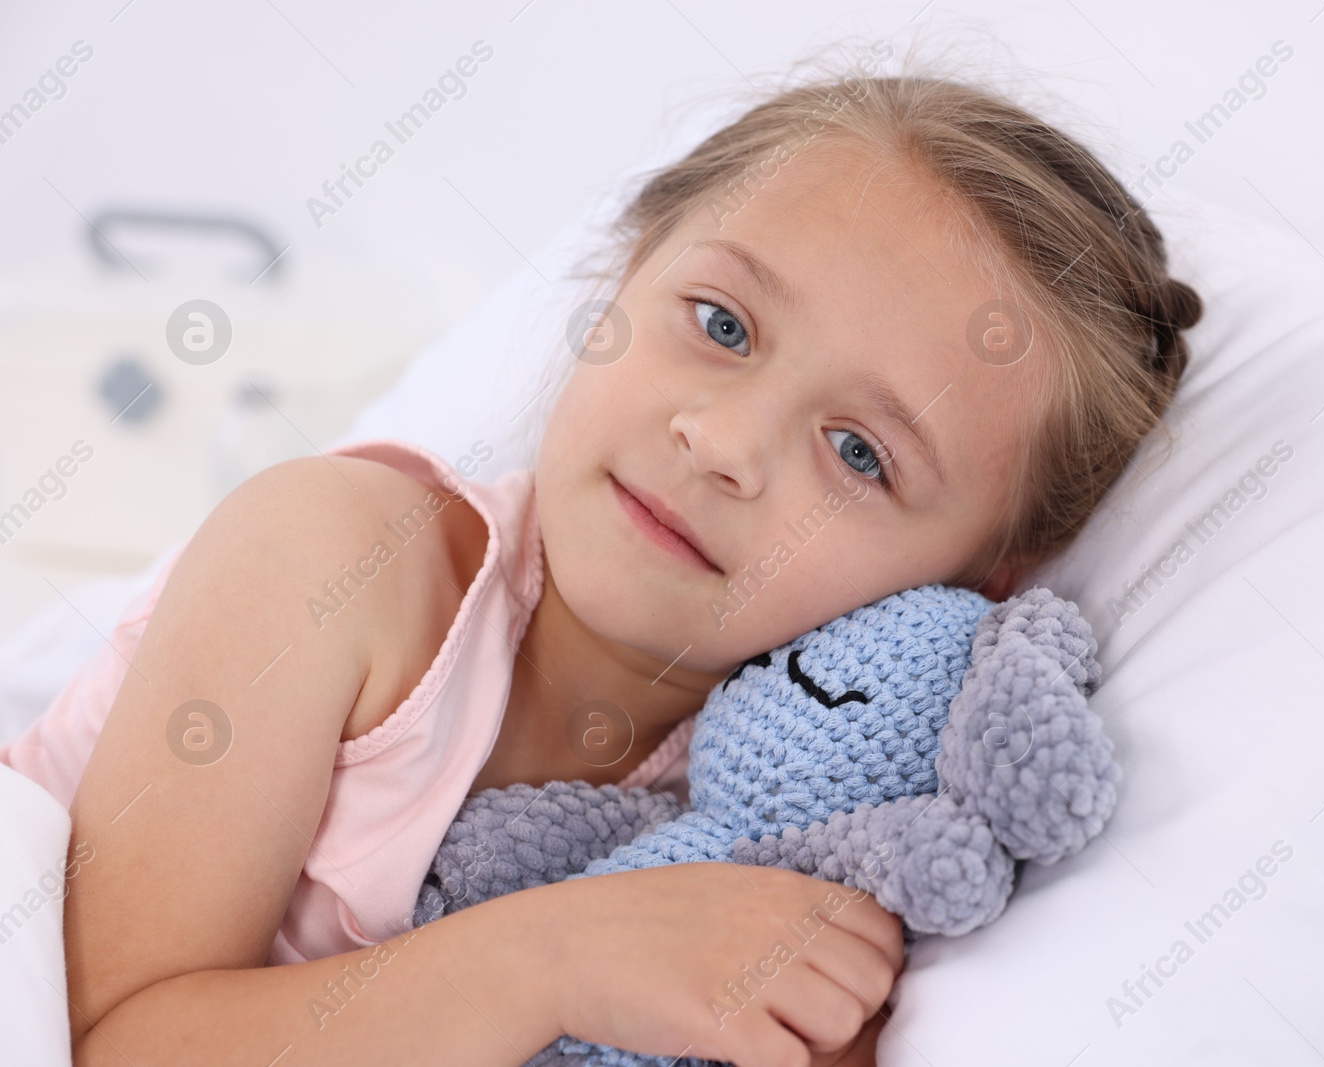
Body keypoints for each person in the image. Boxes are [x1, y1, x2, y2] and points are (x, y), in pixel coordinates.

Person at [21, 58, 1199, 1067]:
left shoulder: (800, 804)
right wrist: (552, 956)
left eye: (857, 451)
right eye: (722, 323)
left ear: (973, 580)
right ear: (624, 273)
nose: (723, 443)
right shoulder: (332, 561)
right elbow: (110, 1038)